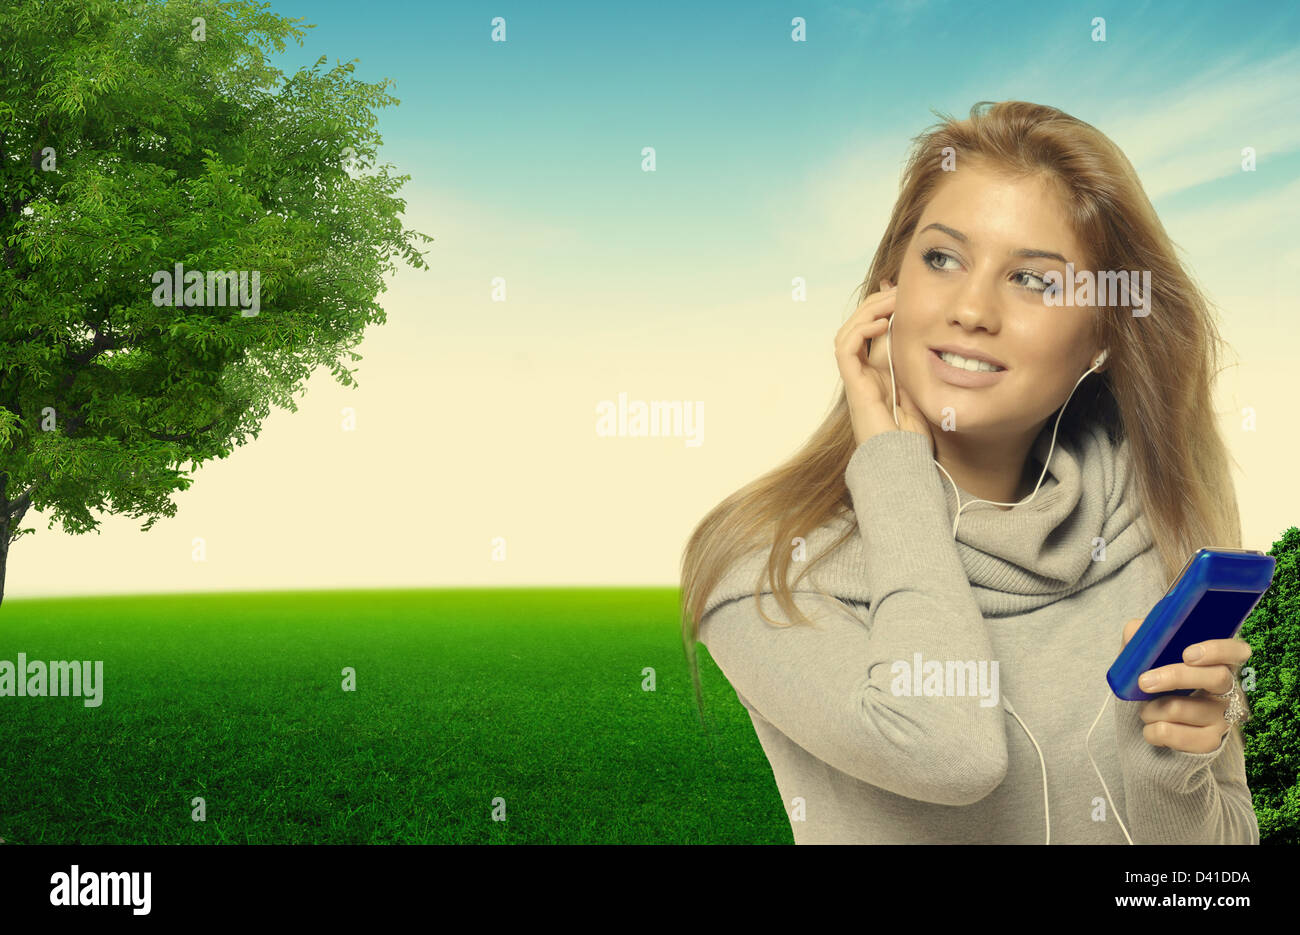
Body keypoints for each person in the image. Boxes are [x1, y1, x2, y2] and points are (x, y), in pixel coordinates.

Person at [678, 100, 1258, 845]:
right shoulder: (768, 567)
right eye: (942, 258)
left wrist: (1169, 762)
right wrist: (894, 471)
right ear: (888, 287)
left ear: (1102, 338)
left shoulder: (1154, 517)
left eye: (1035, 282)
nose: (972, 309)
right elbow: (951, 751)